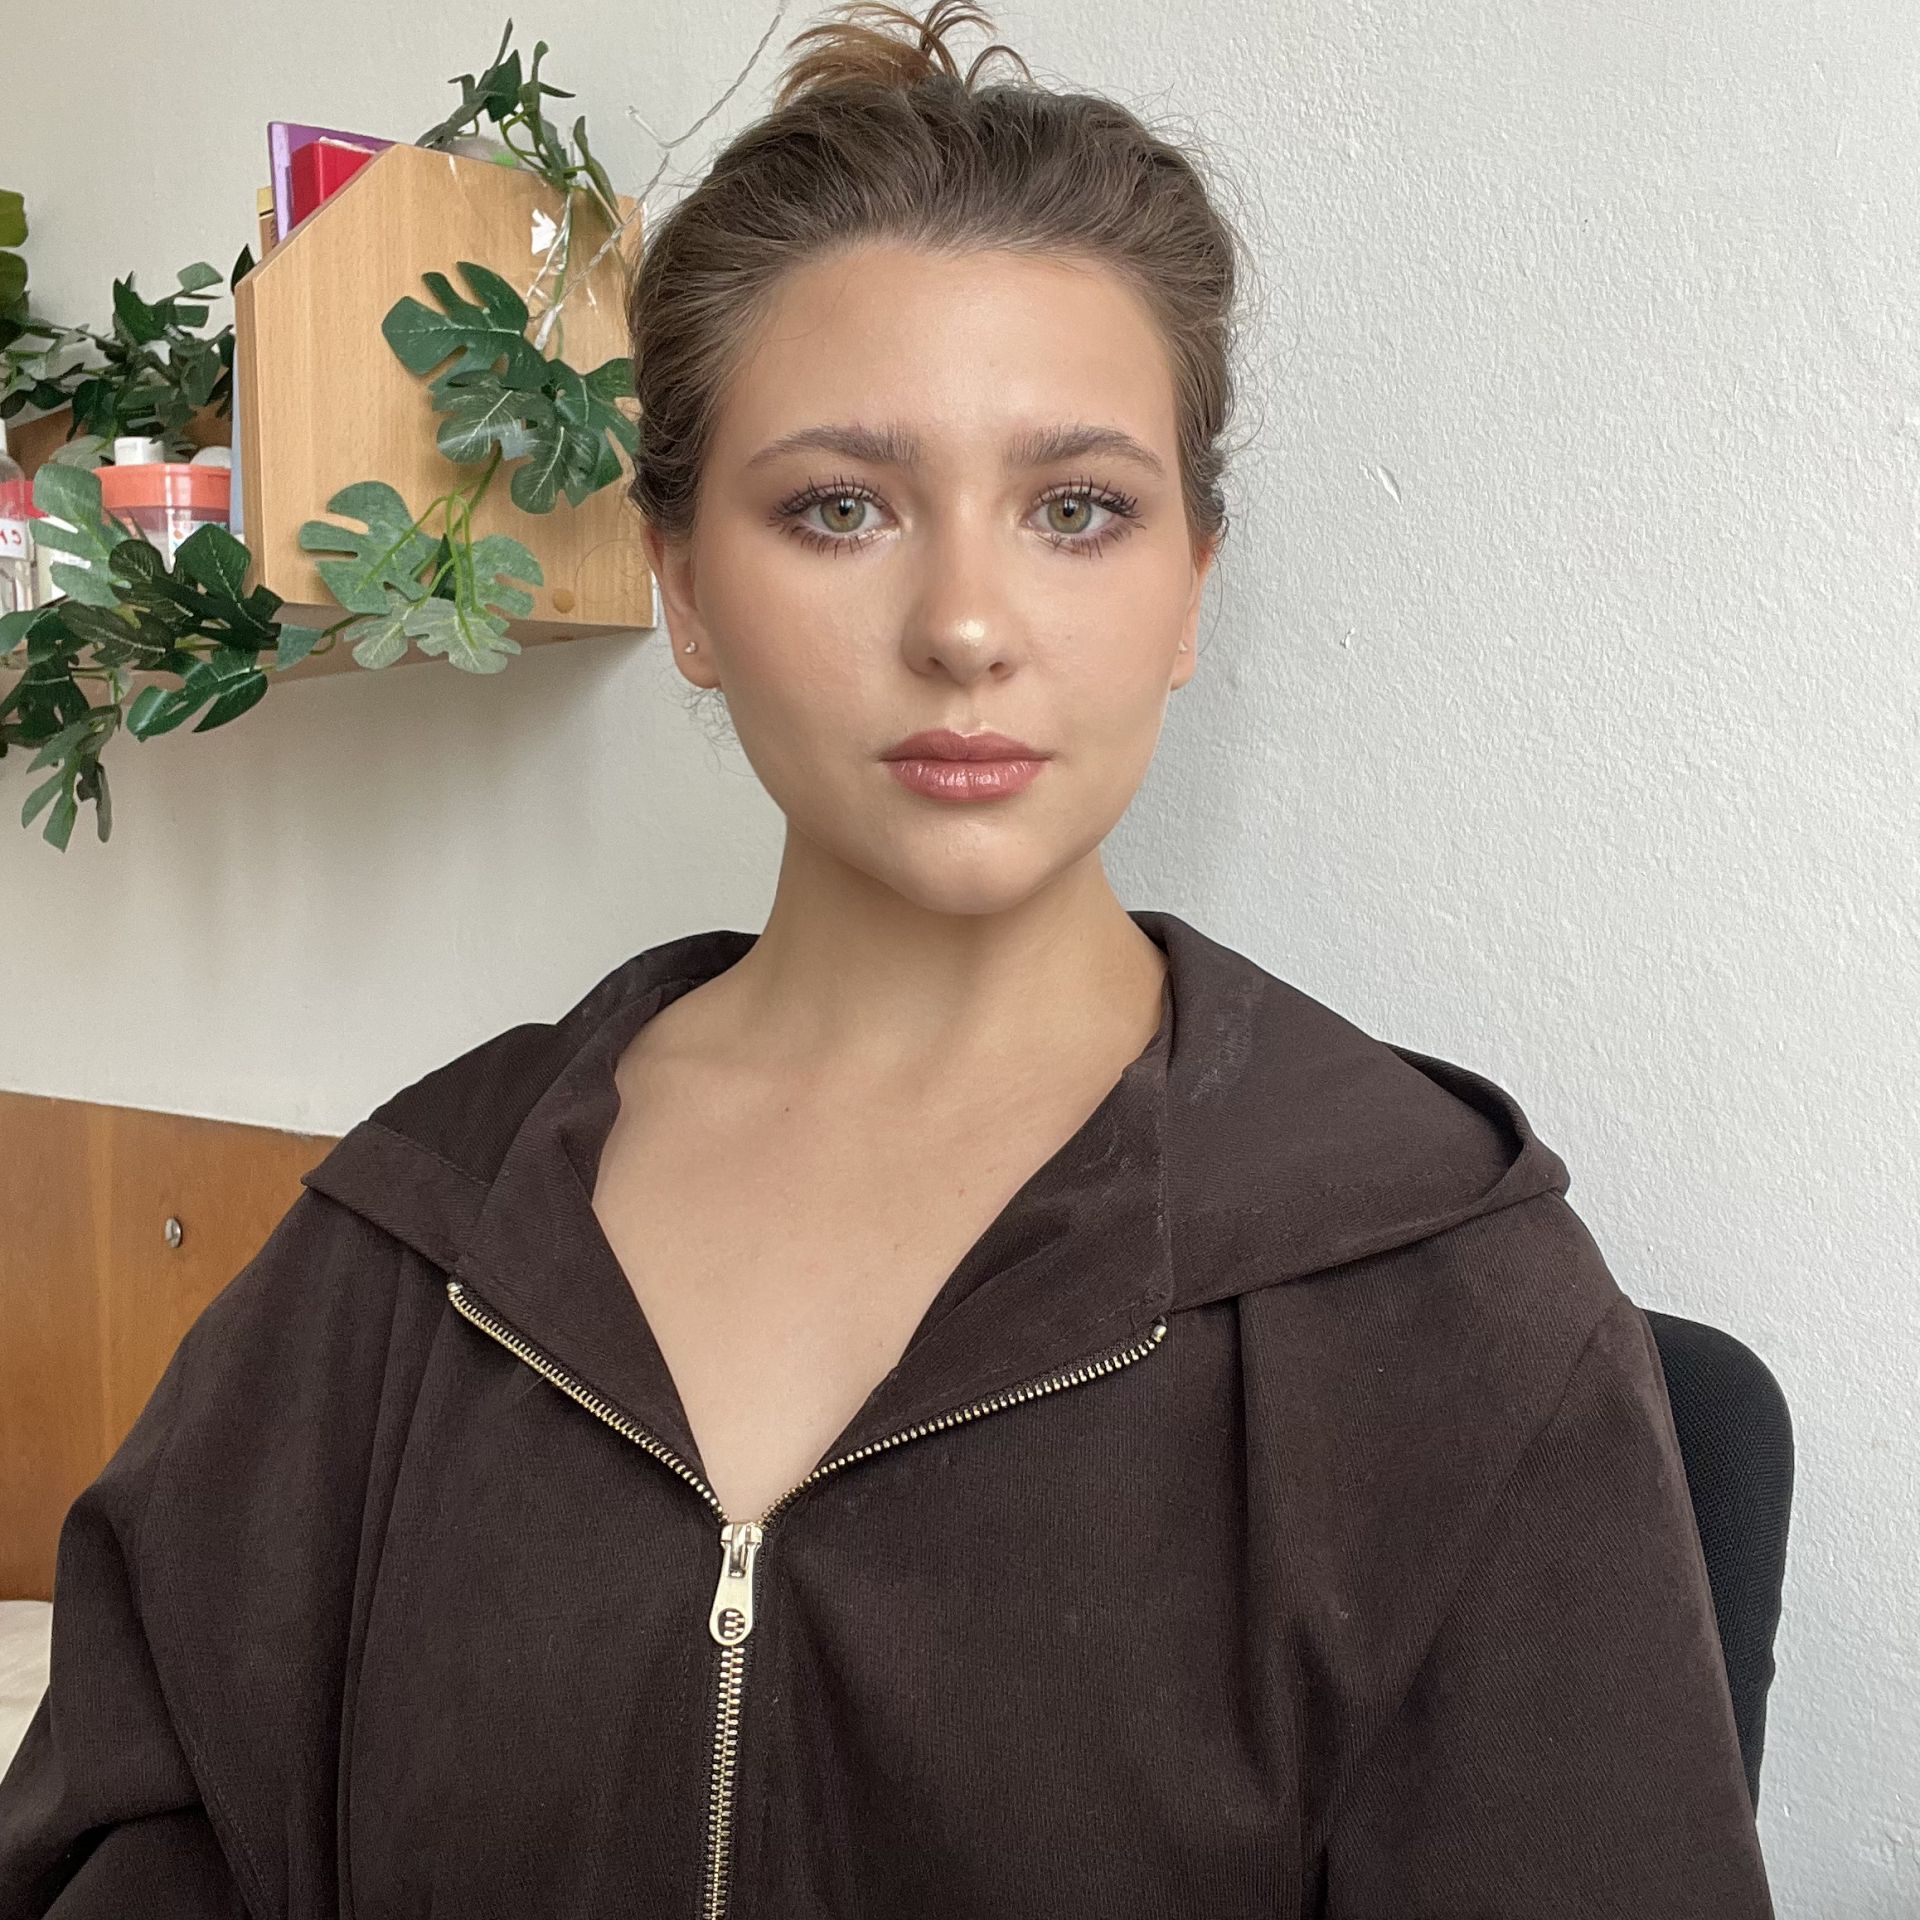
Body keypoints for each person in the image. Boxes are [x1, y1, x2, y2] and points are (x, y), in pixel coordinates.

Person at [0, 4, 1777, 1914]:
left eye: (1078, 510)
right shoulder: (410, 1239)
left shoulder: (1449, 1304)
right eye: (839, 508)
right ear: (686, 584)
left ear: (1191, 586)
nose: (966, 625)